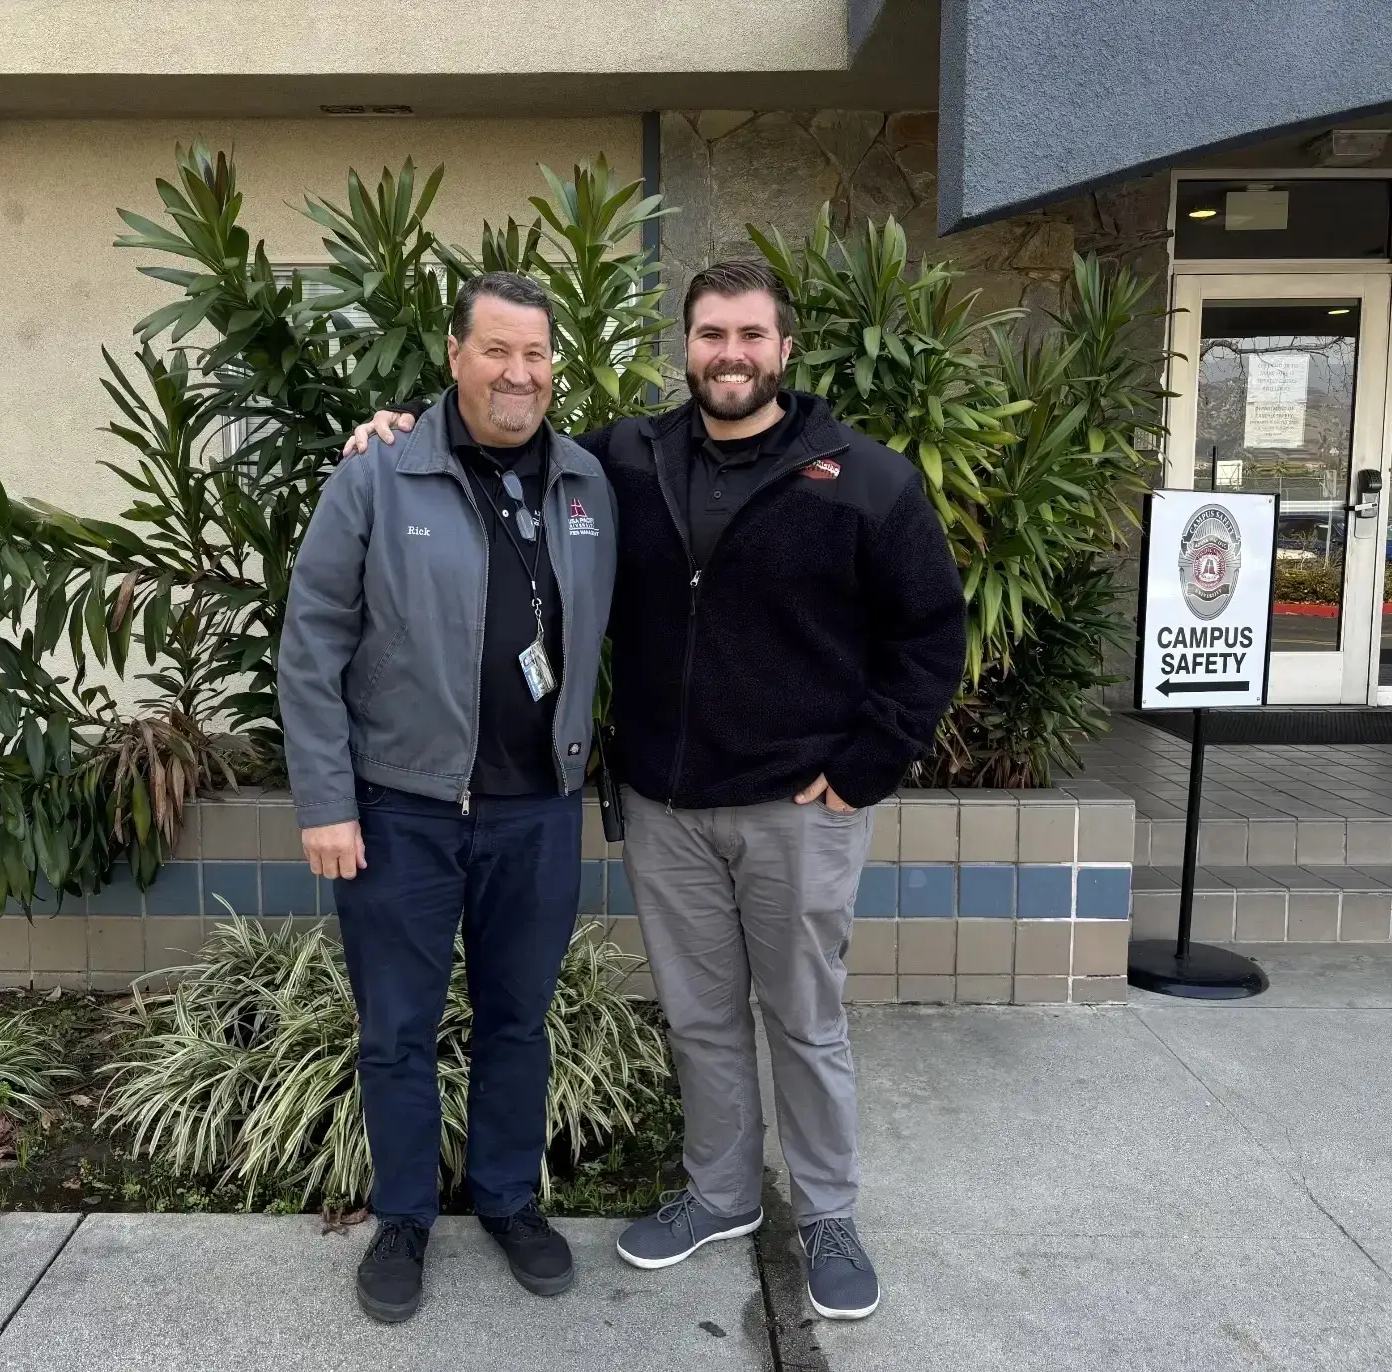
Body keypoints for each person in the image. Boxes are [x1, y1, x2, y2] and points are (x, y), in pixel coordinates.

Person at [342, 259, 965, 1322]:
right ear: (685, 347)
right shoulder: (625, 460)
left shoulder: (865, 478)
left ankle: (823, 1213)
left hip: (797, 809)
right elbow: (505, 432)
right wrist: (395, 433)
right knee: (701, 1018)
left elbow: (929, 636)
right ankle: (720, 1192)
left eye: (751, 336)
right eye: (711, 334)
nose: (730, 354)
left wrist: (864, 767)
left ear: (784, 348)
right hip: (668, 806)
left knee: (803, 1020)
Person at [279, 270, 618, 1324]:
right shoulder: (378, 475)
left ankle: (511, 1200)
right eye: (497, 351)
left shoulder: (587, 482)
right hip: (401, 811)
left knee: (518, 1020)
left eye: (536, 355)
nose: (518, 373)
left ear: (553, 367)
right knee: (397, 1027)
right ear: (454, 355)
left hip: (539, 810)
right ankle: (406, 1217)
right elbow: (312, 644)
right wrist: (325, 802)